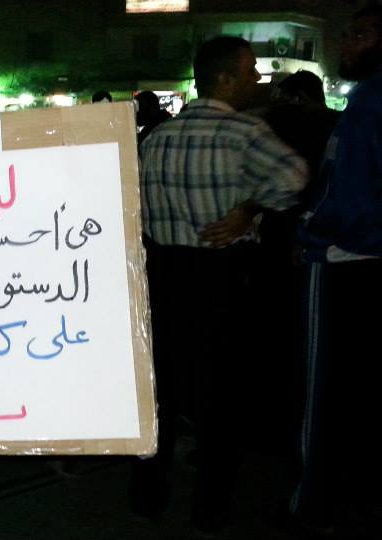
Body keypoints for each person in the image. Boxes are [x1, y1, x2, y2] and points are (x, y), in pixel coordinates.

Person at [134, 35, 307, 533]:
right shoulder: (245, 131)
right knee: (221, 401)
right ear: (226, 78)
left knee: (160, 396)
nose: (258, 79)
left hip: (163, 276)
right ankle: (209, 510)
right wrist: (250, 208)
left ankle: (146, 496)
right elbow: (296, 177)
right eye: (251, 71)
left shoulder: (158, 137)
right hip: (221, 278)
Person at [291, 6, 382, 536]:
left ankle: (311, 505)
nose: (346, 43)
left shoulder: (368, 101)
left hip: (343, 258)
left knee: (322, 392)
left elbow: (345, 191)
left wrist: (308, 232)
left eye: (360, 34)